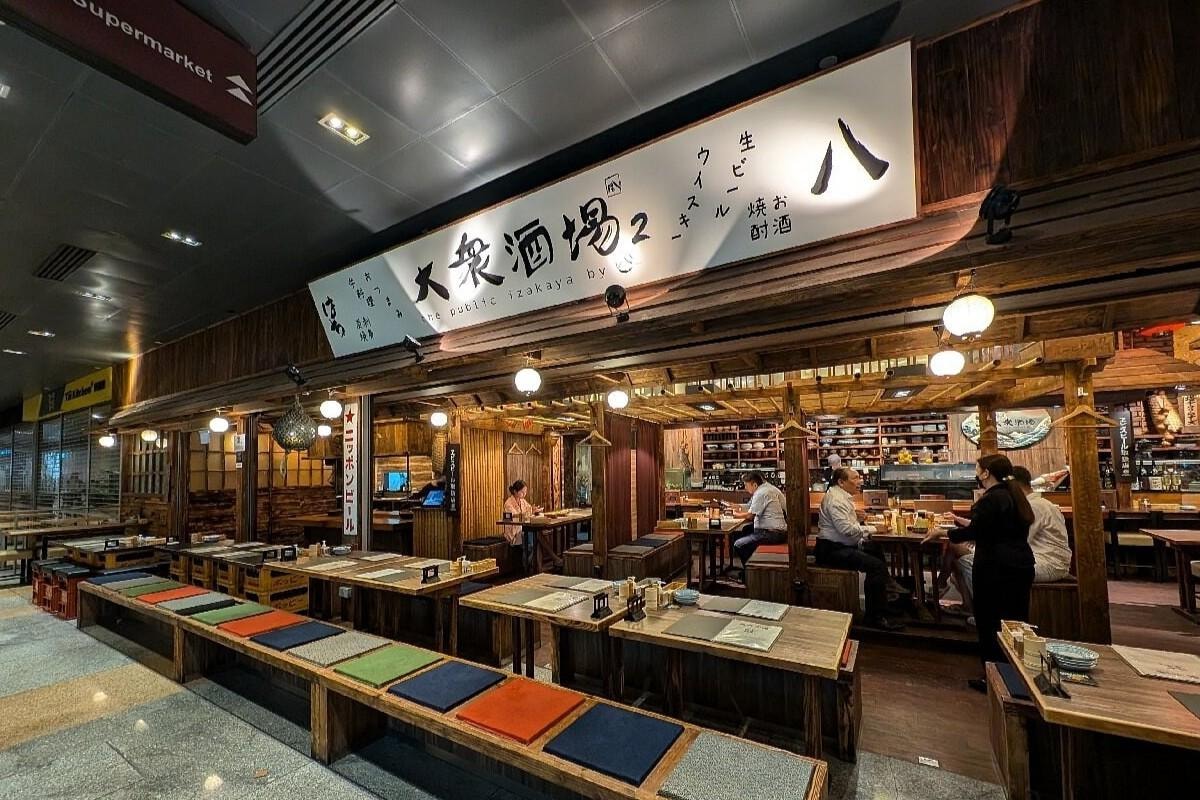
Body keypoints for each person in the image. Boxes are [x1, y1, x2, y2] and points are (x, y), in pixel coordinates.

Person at [924, 454, 1034, 692]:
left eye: (977, 468)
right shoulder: (1014, 495)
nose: (975, 472)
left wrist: (942, 534)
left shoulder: (991, 499)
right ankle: (1017, 676)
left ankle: (994, 677)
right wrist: (959, 524)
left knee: (990, 621)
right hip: (1021, 564)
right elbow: (986, 528)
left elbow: (977, 531)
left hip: (996, 566)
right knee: (1014, 622)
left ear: (986, 473)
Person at [816, 467, 904, 631]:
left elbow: (846, 526)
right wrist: (874, 530)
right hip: (831, 550)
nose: (860, 481)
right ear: (841, 482)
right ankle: (875, 617)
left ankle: (884, 599)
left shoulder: (840, 496)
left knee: (875, 549)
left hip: (841, 545)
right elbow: (846, 530)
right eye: (855, 478)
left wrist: (858, 518)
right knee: (876, 566)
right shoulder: (836, 500)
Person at [1012, 466, 1072, 583]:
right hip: (1043, 559)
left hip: (1050, 563)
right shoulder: (1035, 503)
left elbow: (1018, 542)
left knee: (994, 569)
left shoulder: (1034, 506)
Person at [731, 471, 788, 566]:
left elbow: (750, 515)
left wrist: (736, 515)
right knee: (746, 530)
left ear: (754, 485)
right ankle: (750, 565)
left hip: (772, 533)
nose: (745, 488)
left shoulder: (761, 493)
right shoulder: (764, 490)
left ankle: (749, 571)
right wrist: (736, 507)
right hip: (775, 530)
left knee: (739, 544)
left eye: (746, 485)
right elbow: (750, 507)